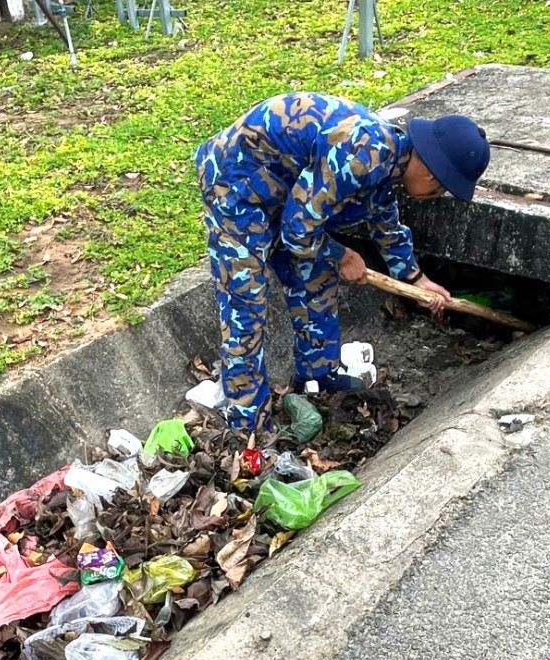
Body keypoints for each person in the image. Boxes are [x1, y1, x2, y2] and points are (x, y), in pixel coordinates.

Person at [196, 92, 491, 434]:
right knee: (245, 301)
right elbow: (297, 232)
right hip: (234, 183)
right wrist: (343, 255)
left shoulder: (394, 158)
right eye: (440, 187)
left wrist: (415, 278)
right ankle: (247, 420)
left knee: (315, 276)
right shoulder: (362, 154)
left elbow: (385, 220)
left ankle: (318, 378)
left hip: (286, 189)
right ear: (430, 172)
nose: (435, 194)